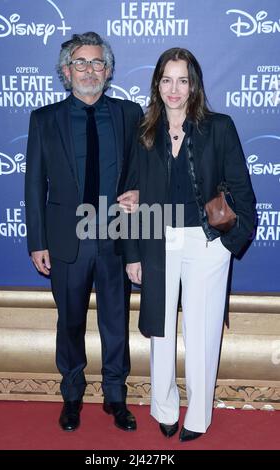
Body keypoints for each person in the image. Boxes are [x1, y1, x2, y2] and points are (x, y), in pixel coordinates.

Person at [123, 48, 256, 441]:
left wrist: (228, 243)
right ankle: (164, 408)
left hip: (207, 242)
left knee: (203, 332)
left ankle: (198, 416)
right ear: (157, 84)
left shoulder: (219, 127)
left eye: (182, 80)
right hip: (157, 240)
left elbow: (243, 191)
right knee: (160, 332)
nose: (174, 88)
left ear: (194, 84)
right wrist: (133, 253)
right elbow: (128, 196)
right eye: (166, 79)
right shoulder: (144, 132)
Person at [25, 32, 143, 432]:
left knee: (115, 322)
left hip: (116, 236)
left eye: (97, 63)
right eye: (81, 63)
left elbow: (148, 170)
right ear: (65, 70)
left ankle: (116, 398)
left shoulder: (130, 114)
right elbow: (33, 185)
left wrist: (142, 192)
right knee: (70, 322)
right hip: (66, 241)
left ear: (108, 71)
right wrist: (37, 242)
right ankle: (72, 396)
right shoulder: (44, 119)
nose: (89, 70)